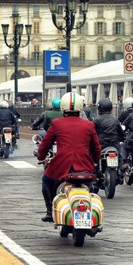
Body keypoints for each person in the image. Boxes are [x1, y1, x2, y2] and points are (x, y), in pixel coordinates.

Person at [36, 92, 101, 223]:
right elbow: (96, 148)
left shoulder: (56, 124)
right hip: (84, 165)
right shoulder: (89, 125)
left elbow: (45, 144)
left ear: (63, 107)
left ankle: (50, 212)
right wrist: (94, 161)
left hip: (61, 165)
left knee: (46, 181)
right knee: (90, 185)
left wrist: (40, 156)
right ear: (81, 107)